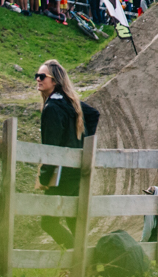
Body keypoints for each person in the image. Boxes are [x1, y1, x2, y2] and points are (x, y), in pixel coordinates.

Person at [36, 59, 99, 249]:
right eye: (37, 76)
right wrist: (83, 144)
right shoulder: (69, 102)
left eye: (42, 76)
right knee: (73, 220)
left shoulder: (52, 108)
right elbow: (93, 114)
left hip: (61, 174)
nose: (38, 79)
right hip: (77, 170)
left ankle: (77, 258)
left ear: (54, 81)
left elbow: (51, 149)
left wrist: (44, 177)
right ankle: (84, 260)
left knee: (48, 222)